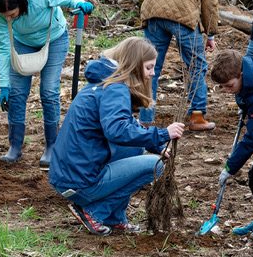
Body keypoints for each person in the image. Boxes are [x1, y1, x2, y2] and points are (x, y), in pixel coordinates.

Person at [48, 37, 186, 235]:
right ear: (135, 64)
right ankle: (95, 212)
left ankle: (115, 218)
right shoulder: (116, 87)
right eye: (148, 67)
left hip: (67, 176)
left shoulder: (105, 81)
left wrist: (156, 146)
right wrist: (164, 133)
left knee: (136, 148)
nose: (152, 73)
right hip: (79, 183)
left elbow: (126, 126)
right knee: (154, 167)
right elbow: (118, 130)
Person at [0, 0, 92, 168]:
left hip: (54, 38)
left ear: (22, 5)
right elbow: (3, 47)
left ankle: (52, 146)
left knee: (48, 91)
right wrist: (4, 85)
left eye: (12, 15)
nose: (9, 19)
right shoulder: (0, 12)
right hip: (22, 42)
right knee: (16, 93)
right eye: (6, 16)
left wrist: (80, 3)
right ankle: (15, 146)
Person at [139, 0, 222, 132]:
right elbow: (210, 0)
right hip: (183, 18)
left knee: (150, 66)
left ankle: (145, 119)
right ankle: (197, 117)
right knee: (196, 65)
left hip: (153, 15)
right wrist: (210, 34)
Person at [210, 49, 253, 243]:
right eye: (223, 87)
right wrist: (241, 101)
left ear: (241, 74)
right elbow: (243, 94)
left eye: (230, 86)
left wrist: (231, 166)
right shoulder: (245, 78)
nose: (227, 91)